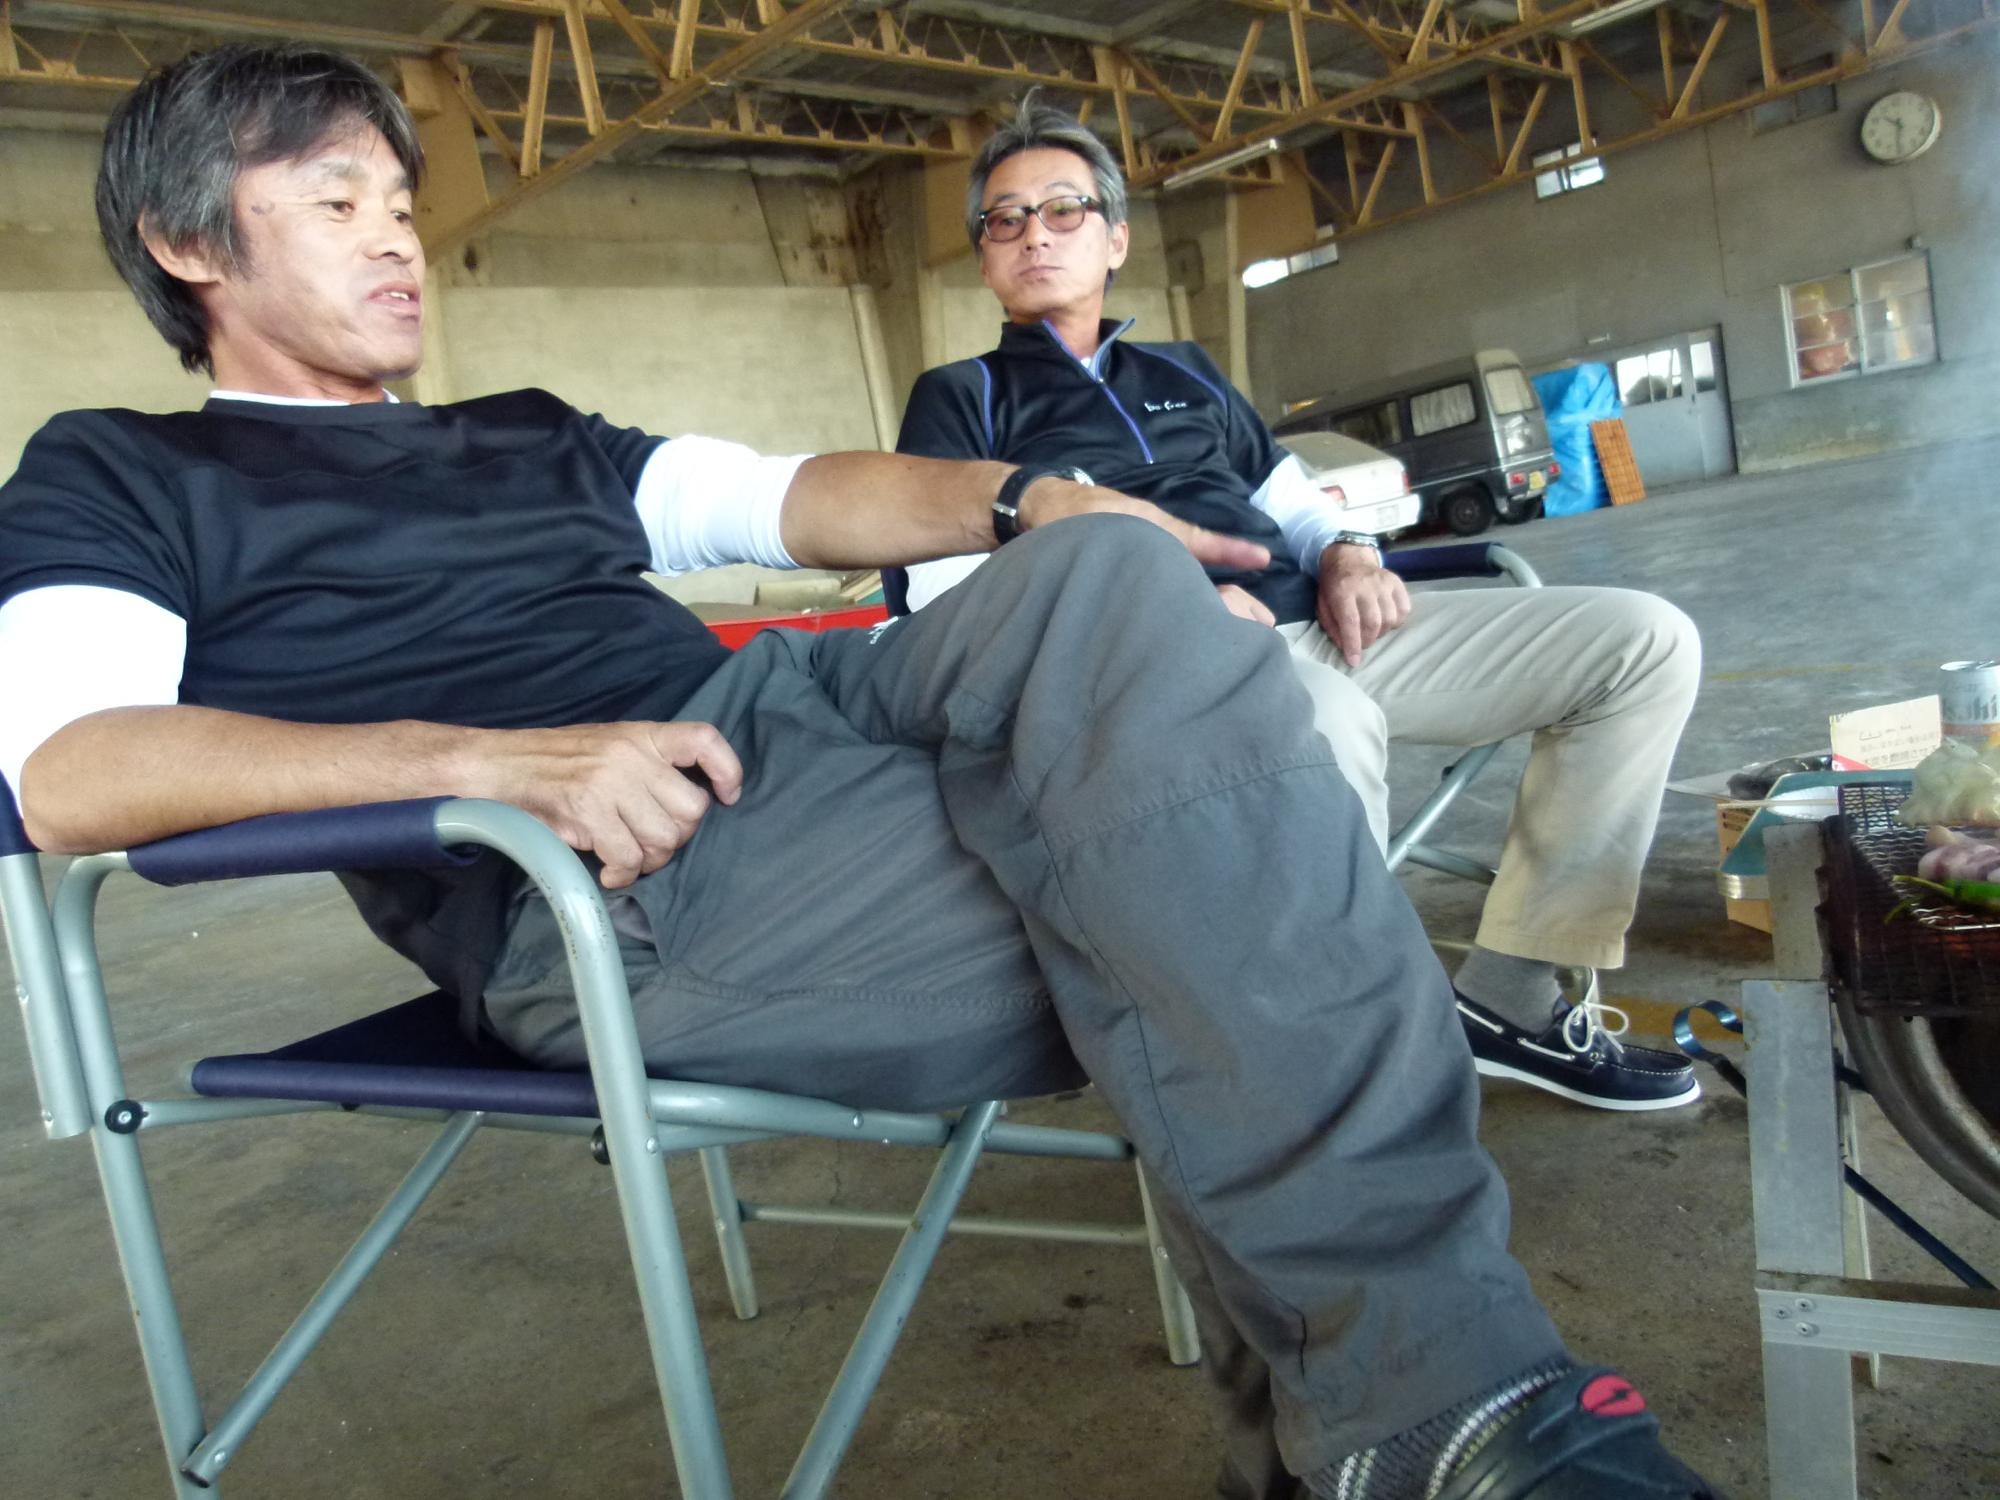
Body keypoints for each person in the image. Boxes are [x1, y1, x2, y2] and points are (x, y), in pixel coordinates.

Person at [0, 46, 1722, 1500]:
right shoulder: (121, 473)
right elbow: (72, 769)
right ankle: (1442, 1411)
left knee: (1114, 588)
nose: (397, 239)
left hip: (799, 720)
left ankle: (1371, 1421)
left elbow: (797, 495)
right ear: (187, 240)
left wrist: (1025, 498)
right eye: (337, 203)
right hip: (619, 881)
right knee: (1227, 891)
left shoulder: (521, 430)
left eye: (399, 200)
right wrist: (487, 765)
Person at [895, 93, 1706, 1115]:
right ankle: (1351, 1067)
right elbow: (938, 597)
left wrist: (1352, 555)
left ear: (1115, 238)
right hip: (1161, 674)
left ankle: (1513, 996)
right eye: (1004, 219)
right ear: (983, 258)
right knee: (1327, 723)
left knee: (1642, 642)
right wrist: (1162, 614)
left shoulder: (1185, 373)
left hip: (1320, 628)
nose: (1034, 234)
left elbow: (1295, 501)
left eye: (1063, 208)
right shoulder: (961, 399)